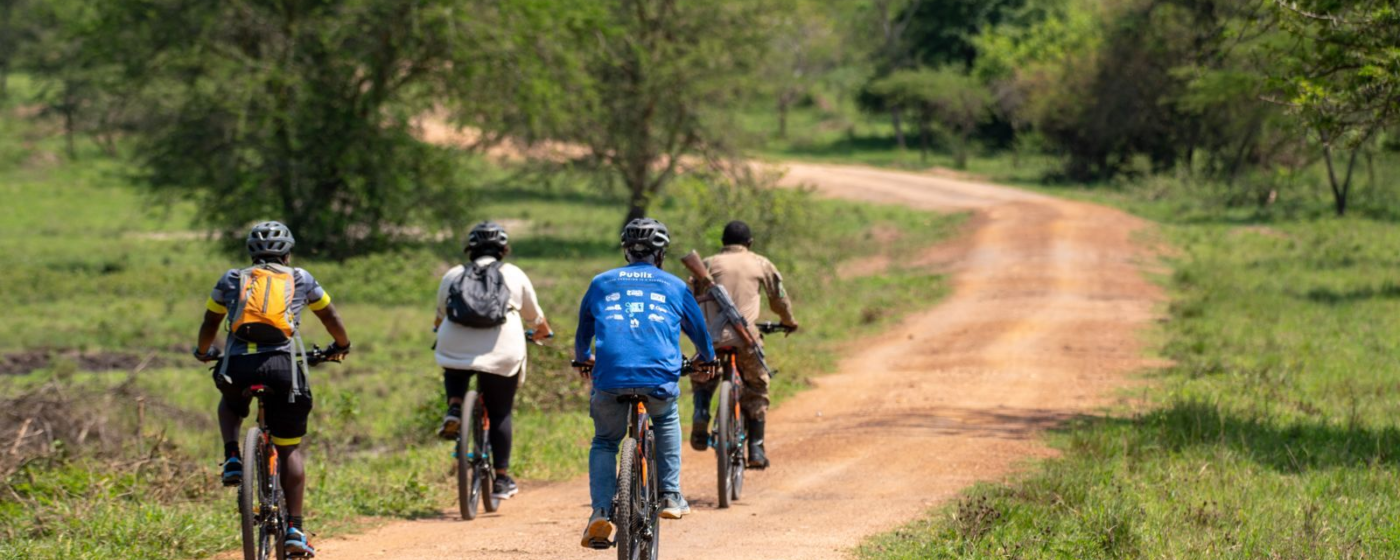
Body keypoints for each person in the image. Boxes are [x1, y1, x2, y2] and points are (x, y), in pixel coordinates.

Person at [193, 221, 352, 558]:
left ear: (251, 252)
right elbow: (330, 315)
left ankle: (233, 457)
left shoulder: (231, 279)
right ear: (288, 252)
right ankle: (294, 528)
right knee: (290, 448)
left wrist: (204, 350)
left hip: (237, 366)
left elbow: (210, 322)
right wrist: (341, 344)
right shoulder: (301, 278)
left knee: (231, 403)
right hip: (284, 370)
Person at [574, 218, 716, 549]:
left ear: (626, 251)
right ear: (660, 253)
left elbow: (583, 332)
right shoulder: (676, 285)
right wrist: (706, 358)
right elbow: (701, 336)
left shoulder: (600, 283)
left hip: (610, 377)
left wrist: (583, 358)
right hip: (659, 378)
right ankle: (669, 495)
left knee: (606, 442)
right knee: (665, 418)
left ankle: (600, 511)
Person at [433, 221, 552, 500]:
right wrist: (543, 332)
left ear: (470, 249)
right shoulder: (514, 274)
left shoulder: (452, 274)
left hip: (455, 343)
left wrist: (439, 328)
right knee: (500, 413)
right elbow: (535, 317)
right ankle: (501, 479)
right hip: (502, 349)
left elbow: (440, 315)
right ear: (503, 249)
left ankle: (454, 407)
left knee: (455, 364)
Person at [688, 220, 799, 469]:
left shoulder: (707, 263)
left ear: (723, 244)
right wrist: (788, 321)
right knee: (758, 385)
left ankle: (700, 414)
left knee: (702, 377)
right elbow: (778, 298)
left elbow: (689, 298)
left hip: (711, 340)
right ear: (749, 243)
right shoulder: (760, 263)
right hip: (746, 338)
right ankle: (757, 448)